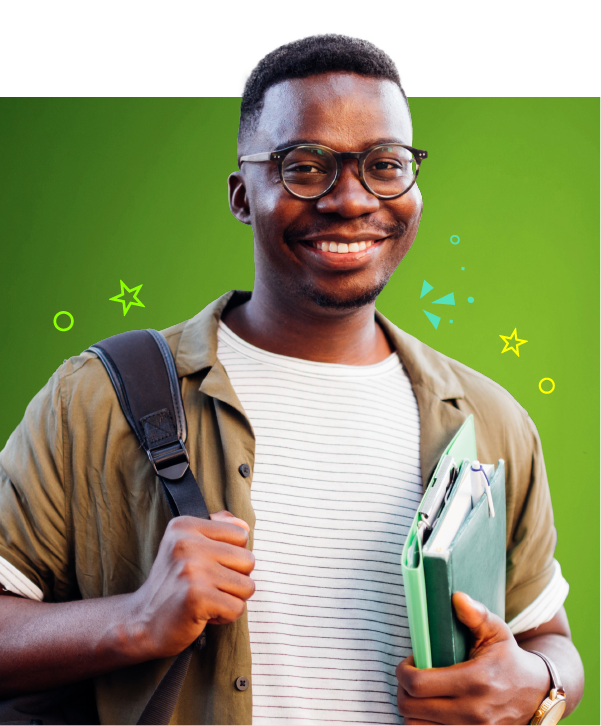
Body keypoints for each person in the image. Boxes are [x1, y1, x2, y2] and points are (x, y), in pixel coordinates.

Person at [0, 32, 584, 726]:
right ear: (243, 194)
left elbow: (549, 640)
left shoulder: (489, 421)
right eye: (304, 167)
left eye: (384, 165)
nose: (350, 199)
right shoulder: (96, 399)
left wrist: (538, 683)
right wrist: (135, 619)